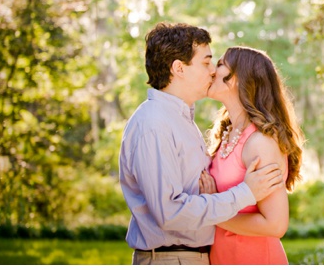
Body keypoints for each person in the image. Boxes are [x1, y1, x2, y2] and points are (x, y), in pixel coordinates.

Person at [119, 22, 285, 265]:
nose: (212, 72)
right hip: (172, 259)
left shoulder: (182, 121)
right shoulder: (153, 124)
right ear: (179, 68)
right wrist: (245, 194)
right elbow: (169, 213)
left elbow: (276, 222)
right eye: (206, 62)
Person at [202, 46, 305, 265]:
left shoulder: (260, 143)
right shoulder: (226, 135)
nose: (211, 70)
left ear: (239, 79)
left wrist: (213, 212)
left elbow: (275, 224)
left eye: (219, 64)